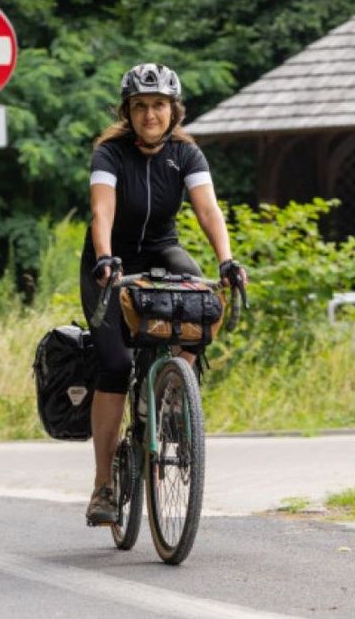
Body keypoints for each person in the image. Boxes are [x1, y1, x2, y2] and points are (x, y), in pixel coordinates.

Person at [80, 63, 247, 525]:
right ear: (127, 112)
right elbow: (102, 210)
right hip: (108, 261)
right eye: (140, 106)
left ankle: (173, 394)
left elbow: (209, 210)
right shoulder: (110, 154)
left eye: (158, 105)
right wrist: (106, 257)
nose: (150, 114)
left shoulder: (186, 155)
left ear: (174, 111)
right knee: (113, 364)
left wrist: (226, 260)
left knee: (199, 300)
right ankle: (104, 487)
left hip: (161, 252)